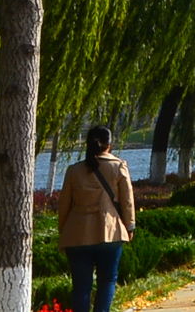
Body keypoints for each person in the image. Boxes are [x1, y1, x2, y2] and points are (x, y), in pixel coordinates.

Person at [54, 124, 136, 312]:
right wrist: (130, 226)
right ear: (109, 144)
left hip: (77, 234)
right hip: (110, 232)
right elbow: (127, 202)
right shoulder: (118, 166)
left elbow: (64, 205)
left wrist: (64, 232)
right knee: (107, 280)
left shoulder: (73, 171)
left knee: (81, 286)